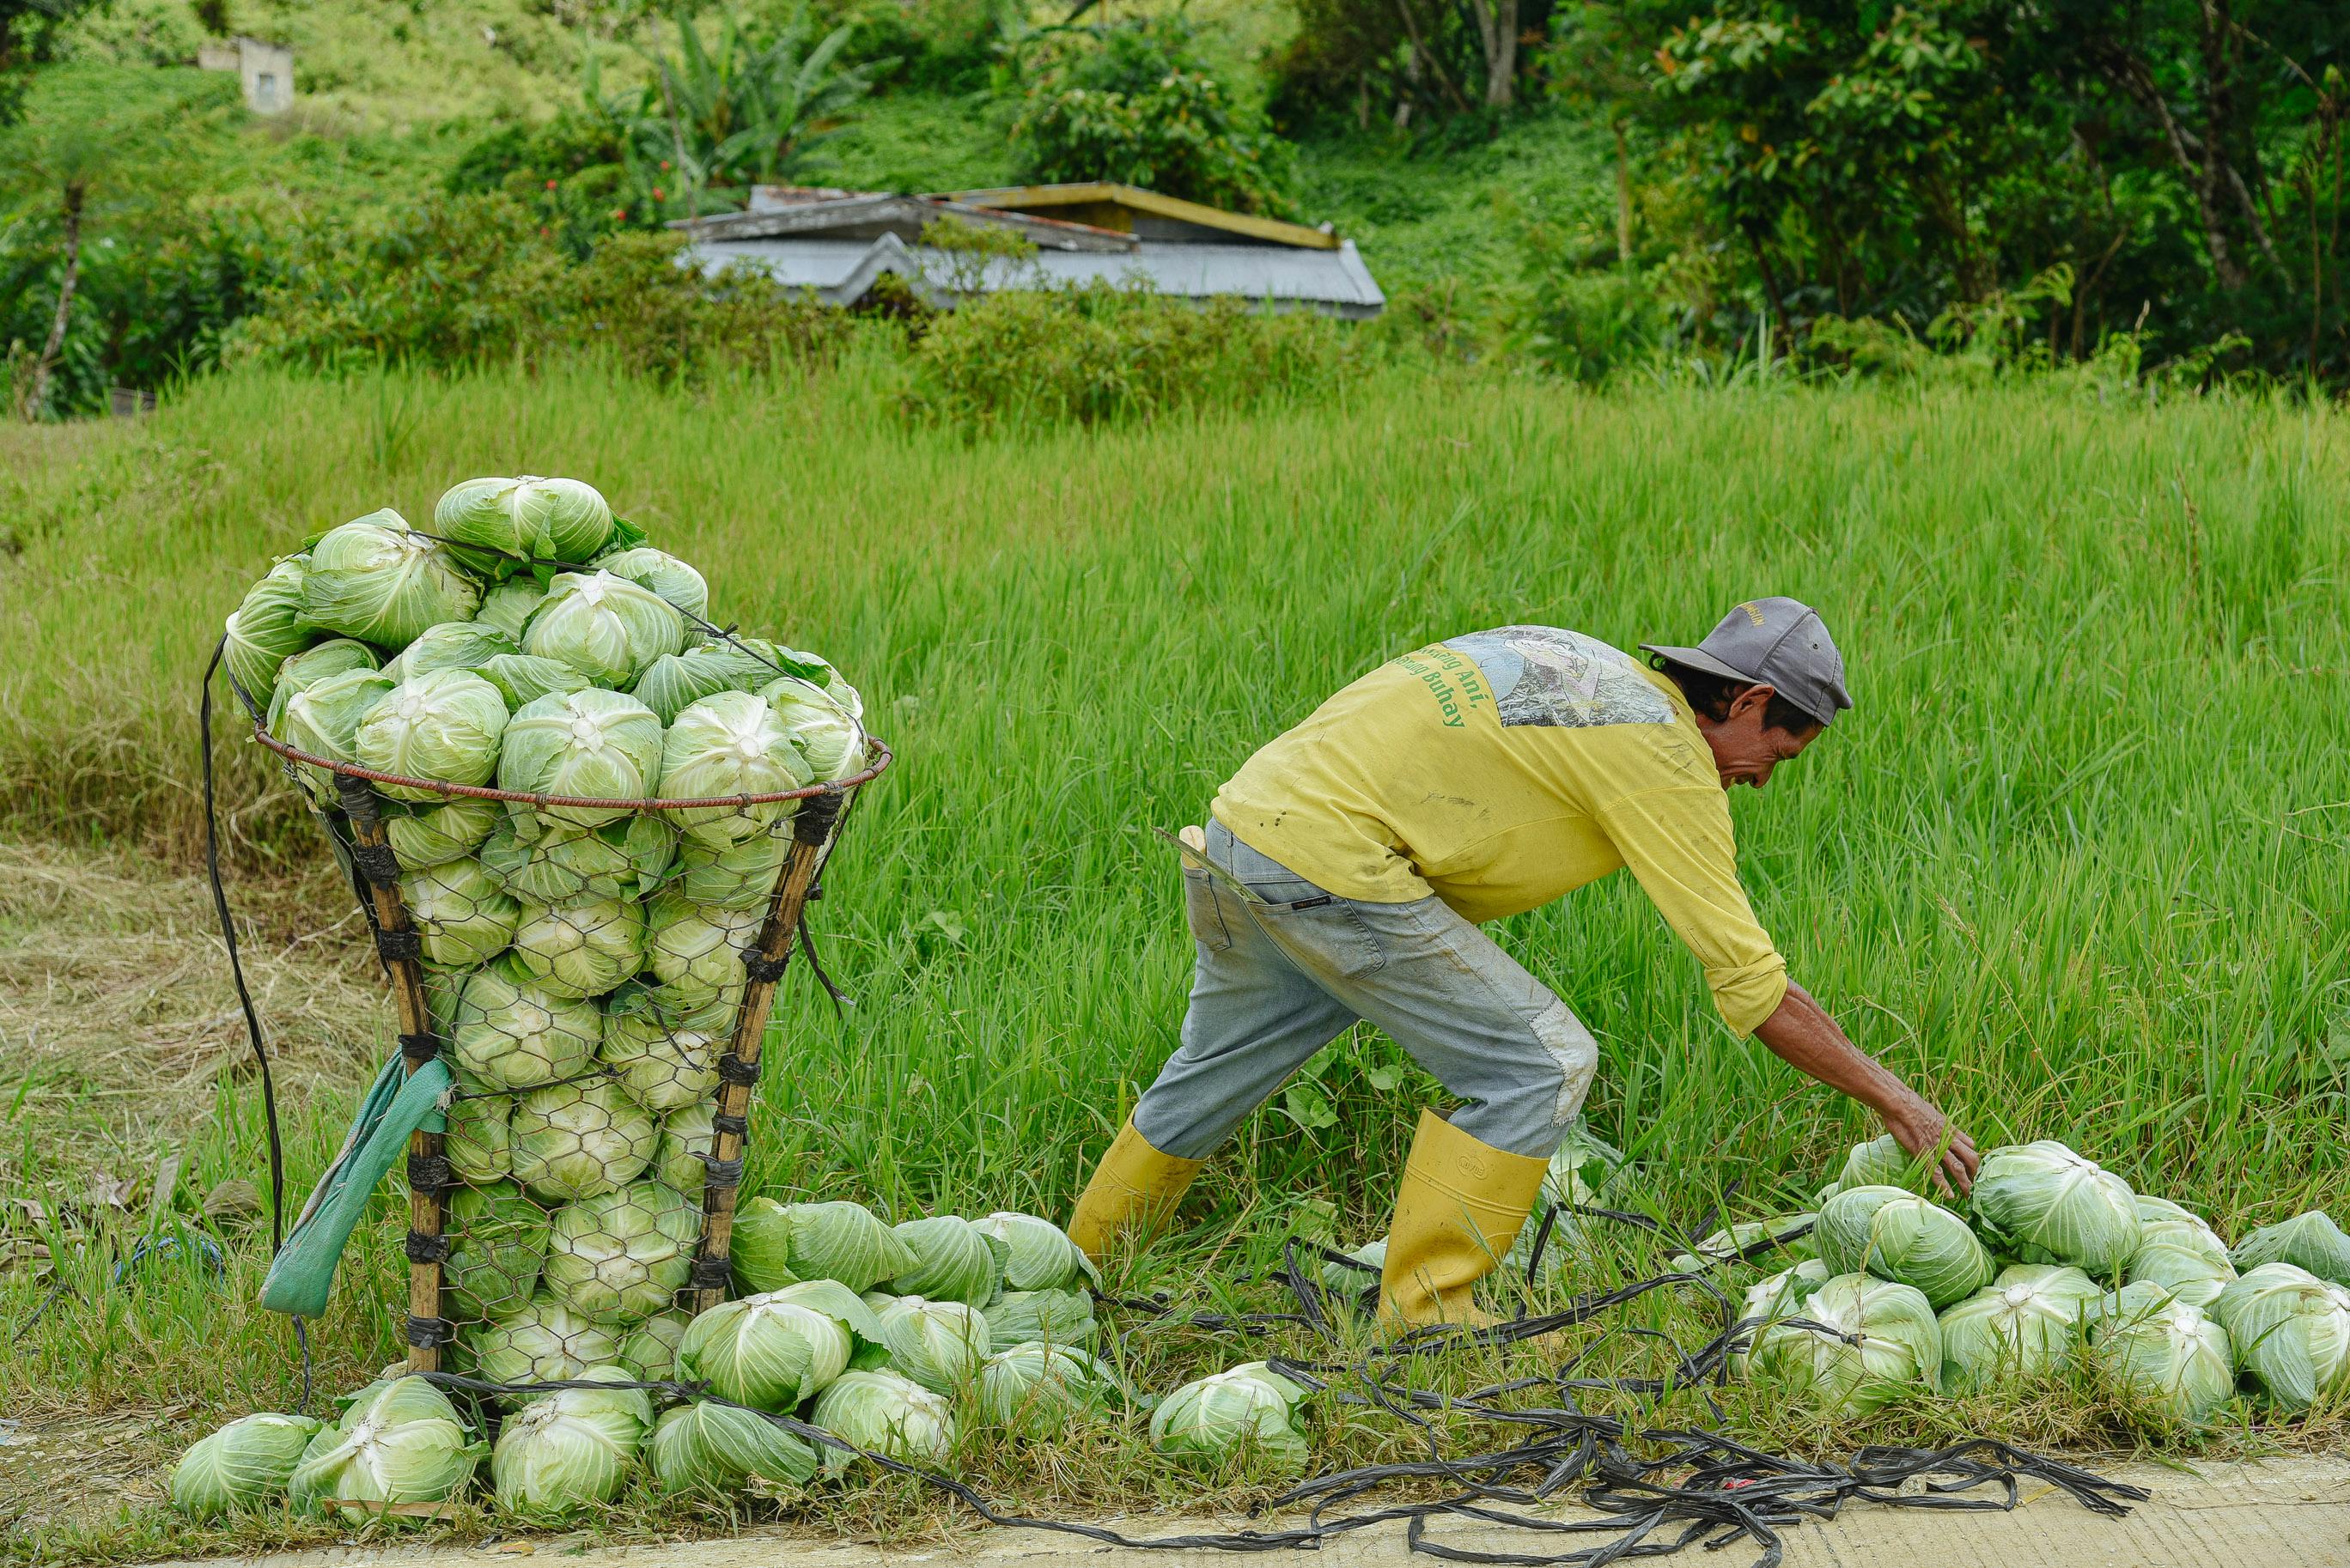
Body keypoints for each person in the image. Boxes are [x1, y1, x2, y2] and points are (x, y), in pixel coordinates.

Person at [1066, 599, 1980, 1331]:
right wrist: (1895, 1097)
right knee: (1542, 1062)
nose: (1765, 776)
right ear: (1744, 702)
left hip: (1246, 832)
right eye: (1776, 750)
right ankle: (1425, 1318)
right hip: (1338, 866)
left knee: (1214, 1069)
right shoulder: (1665, 756)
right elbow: (1752, 984)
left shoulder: (1585, 661)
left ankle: (1078, 1274)